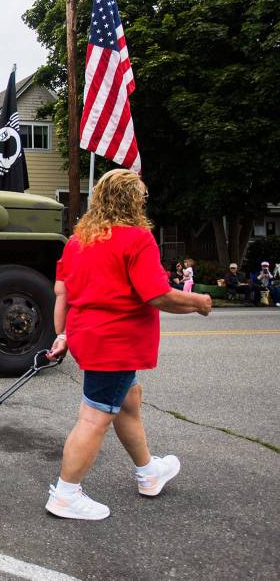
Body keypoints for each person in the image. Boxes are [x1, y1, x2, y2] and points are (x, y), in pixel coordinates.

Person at [45, 169, 212, 521]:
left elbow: (63, 293)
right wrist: (199, 302)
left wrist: (61, 334)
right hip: (115, 343)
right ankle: (66, 494)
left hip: (89, 338)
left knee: (128, 402)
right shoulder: (137, 239)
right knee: (94, 418)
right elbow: (158, 296)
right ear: (133, 201)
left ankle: (149, 471)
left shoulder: (79, 241)